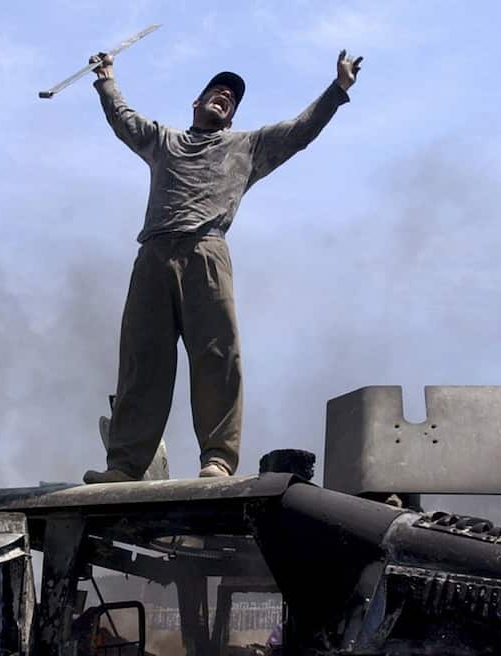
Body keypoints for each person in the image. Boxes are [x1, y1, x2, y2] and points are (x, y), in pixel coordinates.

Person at [83, 49, 363, 483]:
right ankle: (124, 465)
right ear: (196, 104)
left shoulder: (246, 146)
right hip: (154, 255)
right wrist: (106, 79)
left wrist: (338, 88)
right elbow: (124, 119)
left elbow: (299, 132)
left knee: (217, 356)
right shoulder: (164, 140)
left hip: (207, 252)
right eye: (217, 92)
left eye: (231, 98)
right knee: (143, 359)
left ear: (231, 119)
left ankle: (217, 458)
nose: (224, 97)